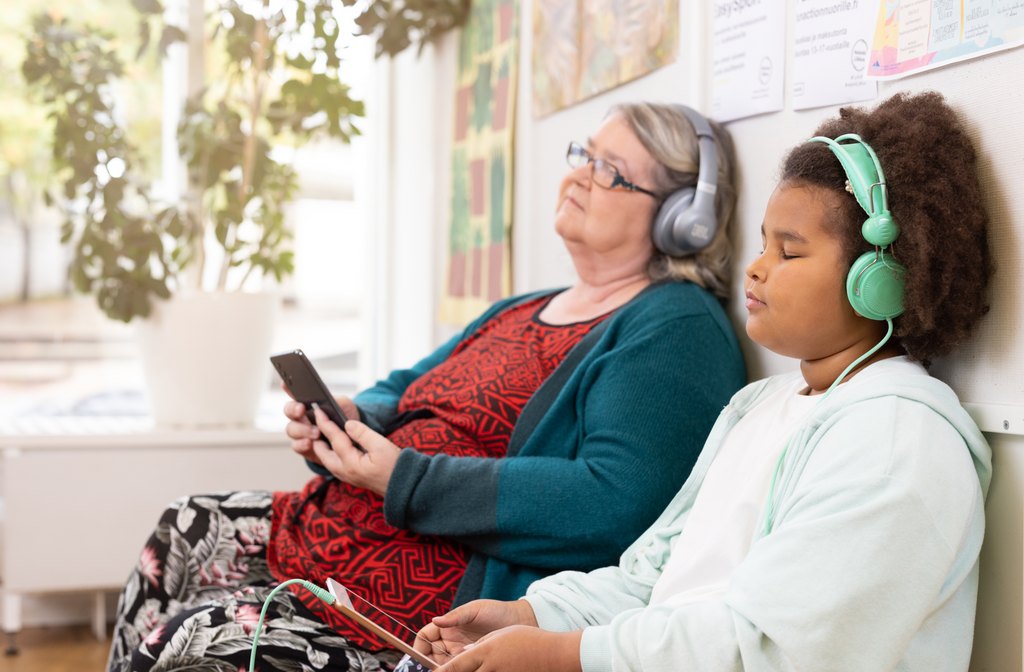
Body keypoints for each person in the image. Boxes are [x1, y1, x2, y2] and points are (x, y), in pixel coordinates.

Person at [107, 102, 747, 671]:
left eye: (610, 170)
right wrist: (354, 417)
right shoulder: (526, 307)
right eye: (584, 153)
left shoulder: (674, 327)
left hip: (422, 601)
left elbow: (615, 501)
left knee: (192, 640)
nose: (579, 174)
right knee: (184, 525)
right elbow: (406, 388)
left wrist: (401, 480)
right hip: (331, 530)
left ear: (680, 219)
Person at [410, 90, 993, 672]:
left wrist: (565, 655)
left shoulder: (895, 442)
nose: (757, 266)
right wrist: (537, 617)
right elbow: (656, 578)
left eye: (789, 253)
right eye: (763, 242)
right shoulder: (762, 406)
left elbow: (767, 650)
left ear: (881, 281)